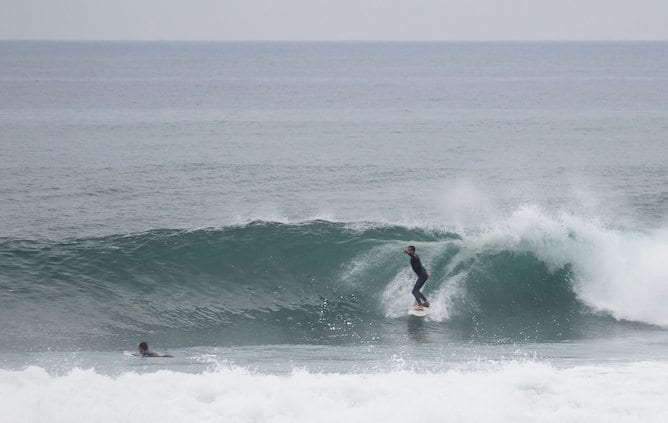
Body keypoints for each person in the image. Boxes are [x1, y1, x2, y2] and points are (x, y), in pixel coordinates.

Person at [404, 245, 431, 310]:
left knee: (414, 291)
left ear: (413, 251)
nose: (408, 251)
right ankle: (426, 302)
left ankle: (420, 306)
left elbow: (413, 256)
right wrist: (427, 274)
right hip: (423, 275)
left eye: (409, 250)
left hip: (422, 276)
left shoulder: (414, 257)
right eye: (408, 250)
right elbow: (421, 266)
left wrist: (408, 254)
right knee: (417, 290)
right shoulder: (416, 255)